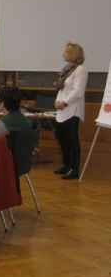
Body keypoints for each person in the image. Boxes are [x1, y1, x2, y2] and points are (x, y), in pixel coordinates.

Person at [53, 43, 87, 180]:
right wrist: (57, 101)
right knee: (62, 139)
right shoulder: (67, 69)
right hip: (61, 109)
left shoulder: (80, 70)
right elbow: (62, 89)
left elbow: (78, 91)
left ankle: (74, 169)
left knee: (72, 141)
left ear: (73, 53)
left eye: (66, 51)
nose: (63, 53)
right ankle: (66, 165)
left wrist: (65, 102)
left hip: (72, 109)